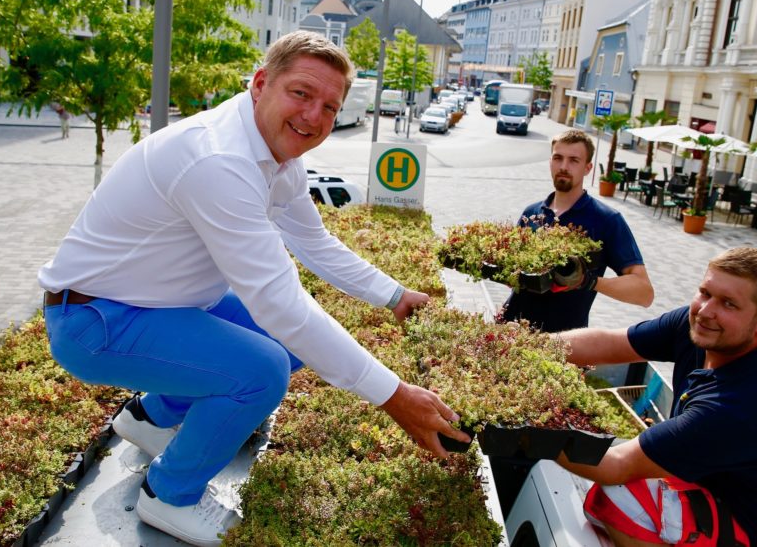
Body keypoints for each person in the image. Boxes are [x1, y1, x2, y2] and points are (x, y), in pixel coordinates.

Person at [38, 31, 468, 546]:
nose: (315, 117)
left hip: (158, 304)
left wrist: (395, 295)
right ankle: (169, 495)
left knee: (284, 345)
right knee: (262, 369)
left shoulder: (274, 155)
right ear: (261, 83)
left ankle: (152, 418)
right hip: (95, 320)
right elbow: (282, 305)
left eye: (330, 107)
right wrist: (394, 396)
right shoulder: (220, 160)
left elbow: (314, 242)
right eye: (302, 94)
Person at [556, 247, 757, 547]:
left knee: (622, 497)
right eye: (705, 292)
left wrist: (523, 428)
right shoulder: (705, 327)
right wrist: (519, 347)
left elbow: (614, 466)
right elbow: (608, 344)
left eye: (728, 304)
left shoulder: (739, 406)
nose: (705, 311)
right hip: (729, 489)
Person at [502, 129, 654, 333]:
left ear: (588, 168)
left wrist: (589, 282)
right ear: (550, 162)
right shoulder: (531, 213)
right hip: (512, 330)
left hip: (564, 344)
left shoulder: (606, 220)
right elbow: (514, 279)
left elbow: (644, 293)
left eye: (574, 160)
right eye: (558, 158)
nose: (563, 167)